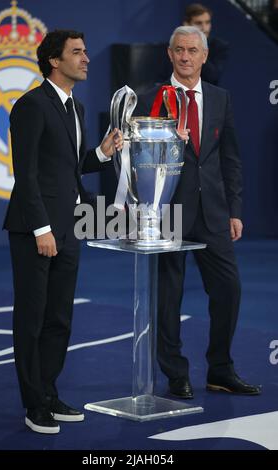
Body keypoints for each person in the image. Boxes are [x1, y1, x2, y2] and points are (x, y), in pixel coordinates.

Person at [3, 30, 123, 434]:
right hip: (36, 230)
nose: (86, 59)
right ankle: (33, 403)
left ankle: (49, 393)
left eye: (86, 51)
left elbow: (68, 169)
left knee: (60, 318)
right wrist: (41, 228)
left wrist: (103, 153)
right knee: (32, 318)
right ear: (54, 61)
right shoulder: (30, 106)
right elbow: (28, 174)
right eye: (77, 52)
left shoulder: (78, 109)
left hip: (70, 228)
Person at [135, 26, 261, 399]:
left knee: (229, 290)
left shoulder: (221, 98)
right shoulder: (152, 99)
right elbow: (138, 161)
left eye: (192, 50)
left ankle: (220, 369)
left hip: (215, 213)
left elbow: (230, 158)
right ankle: (175, 373)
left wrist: (234, 210)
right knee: (168, 297)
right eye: (178, 50)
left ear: (205, 56)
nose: (185, 56)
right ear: (169, 54)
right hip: (169, 212)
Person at [183, 3, 229, 85]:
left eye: (207, 22)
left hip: (206, 95)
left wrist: (197, 46)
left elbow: (212, 77)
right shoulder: (175, 46)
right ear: (187, 25)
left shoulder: (218, 46)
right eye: (198, 23)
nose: (204, 28)